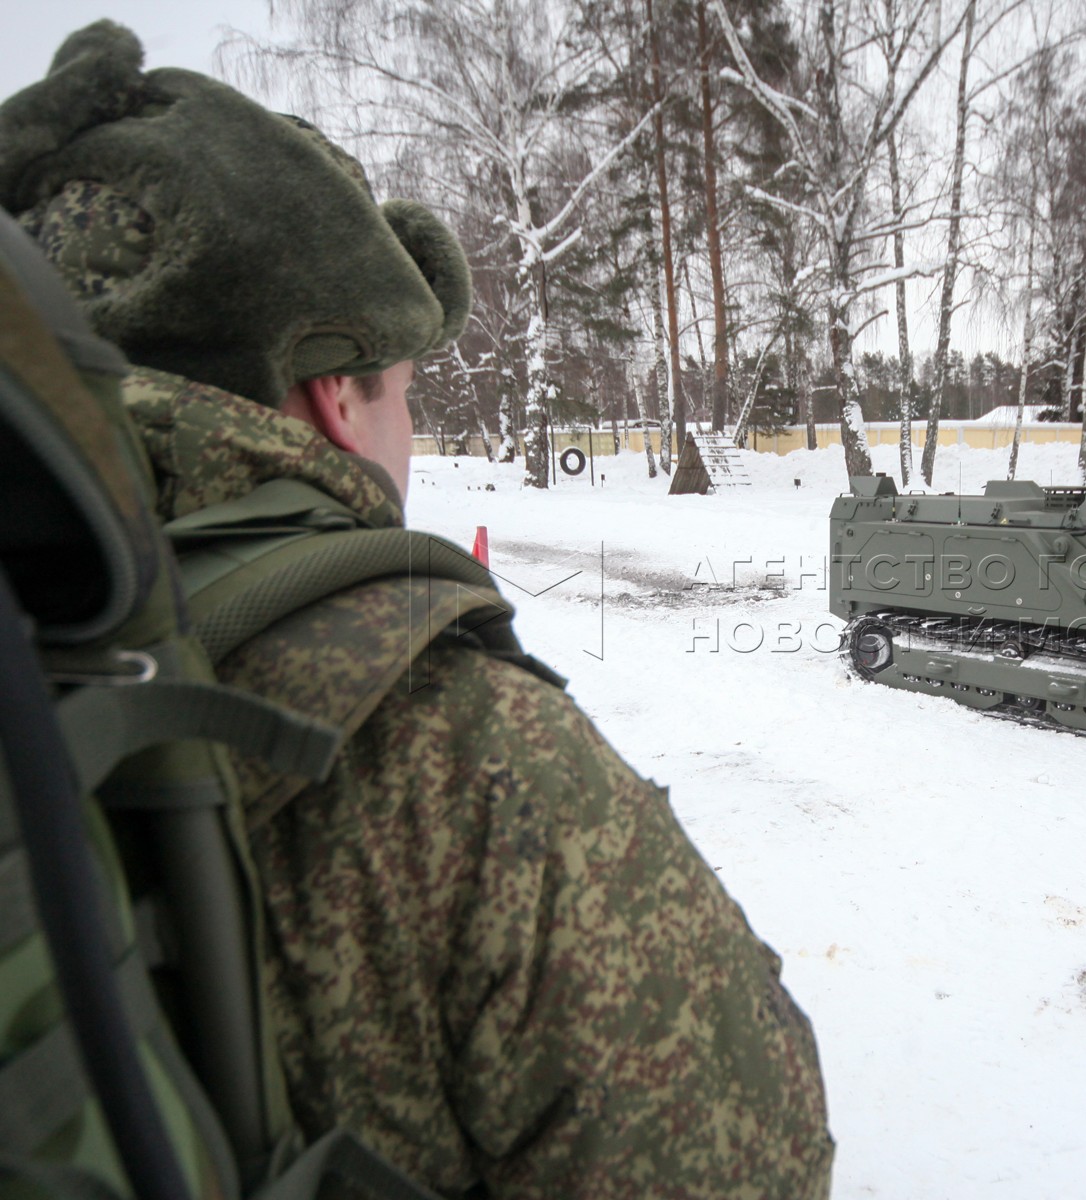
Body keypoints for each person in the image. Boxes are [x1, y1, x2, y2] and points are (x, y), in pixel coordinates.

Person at [0, 22, 834, 1200]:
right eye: (403, 393)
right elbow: (746, 1161)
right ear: (337, 395)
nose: (407, 433)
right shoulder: (459, 749)